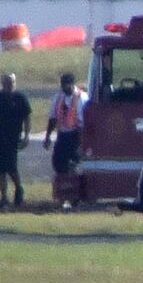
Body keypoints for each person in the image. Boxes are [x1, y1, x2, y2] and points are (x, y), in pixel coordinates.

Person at [0, 72, 33, 210]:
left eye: (12, 83)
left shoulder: (20, 98)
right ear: (2, 84)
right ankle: (4, 198)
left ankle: (18, 188)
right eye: (7, 83)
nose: (10, 86)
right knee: (0, 169)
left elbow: (27, 118)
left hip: (13, 137)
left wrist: (27, 135)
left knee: (11, 167)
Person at [46, 72, 87, 207]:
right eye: (63, 85)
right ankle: (63, 196)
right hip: (62, 135)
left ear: (72, 84)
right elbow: (52, 118)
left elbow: (82, 124)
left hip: (75, 135)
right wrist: (47, 137)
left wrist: (81, 144)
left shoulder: (81, 97)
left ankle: (74, 197)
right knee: (58, 164)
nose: (64, 88)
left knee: (72, 165)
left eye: (67, 85)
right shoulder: (58, 98)